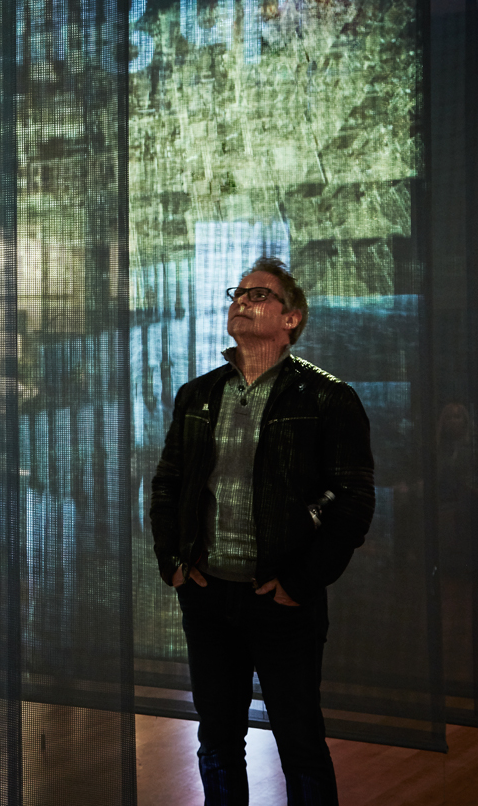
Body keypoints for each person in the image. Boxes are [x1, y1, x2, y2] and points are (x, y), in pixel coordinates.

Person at [150, 256, 376, 805]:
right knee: (217, 737)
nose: (241, 302)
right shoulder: (199, 395)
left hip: (281, 599)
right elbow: (168, 485)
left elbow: (353, 499)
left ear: (291, 318)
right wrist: (173, 562)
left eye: (258, 295)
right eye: (237, 294)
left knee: (299, 740)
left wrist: (300, 582)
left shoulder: (327, 396)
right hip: (207, 595)